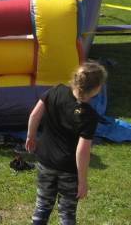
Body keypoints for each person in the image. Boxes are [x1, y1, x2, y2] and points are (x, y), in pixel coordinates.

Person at [26, 62, 107, 225]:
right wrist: (83, 181)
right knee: (67, 213)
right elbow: (82, 150)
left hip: (46, 161)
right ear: (96, 88)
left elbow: (35, 115)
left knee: (42, 205)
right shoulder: (89, 116)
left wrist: (31, 136)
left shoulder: (56, 90)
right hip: (69, 169)